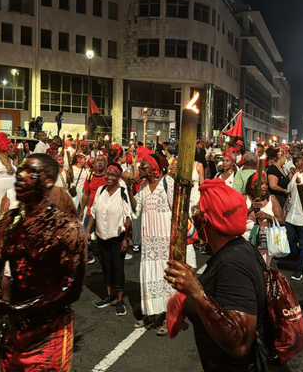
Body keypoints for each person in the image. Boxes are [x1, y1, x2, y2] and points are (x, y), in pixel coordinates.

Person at [0, 154, 86, 372]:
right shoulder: (9, 221)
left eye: (29, 172)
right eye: (19, 171)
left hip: (50, 334)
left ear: (47, 180)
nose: (19, 176)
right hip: (13, 333)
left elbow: (70, 289)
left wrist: (14, 307)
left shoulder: (68, 227)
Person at [164, 178, 266, 371]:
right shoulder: (234, 250)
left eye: (197, 211)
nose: (194, 216)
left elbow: (239, 344)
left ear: (206, 220)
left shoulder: (233, 264)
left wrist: (196, 293)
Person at [126, 153, 175, 335]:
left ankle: (169, 319)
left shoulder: (167, 182)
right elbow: (135, 210)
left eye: (143, 167)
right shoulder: (144, 187)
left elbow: (175, 208)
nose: (139, 169)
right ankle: (150, 313)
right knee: (149, 276)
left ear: (154, 169)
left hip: (165, 238)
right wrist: (131, 190)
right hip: (149, 240)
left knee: (166, 279)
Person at [85, 163, 132, 316]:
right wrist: (87, 232)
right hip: (101, 235)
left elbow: (128, 217)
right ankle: (109, 295)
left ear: (118, 177)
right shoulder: (100, 190)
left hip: (117, 237)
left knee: (117, 267)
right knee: (106, 266)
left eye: (113, 175)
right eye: (108, 174)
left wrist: (126, 239)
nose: (110, 177)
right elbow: (93, 211)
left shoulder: (122, 192)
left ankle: (119, 300)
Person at [244, 172, 286, 265]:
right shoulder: (244, 199)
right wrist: (251, 208)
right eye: (261, 184)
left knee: (262, 271)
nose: (265, 187)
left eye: (266, 184)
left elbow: (282, 221)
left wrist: (268, 216)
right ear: (252, 186)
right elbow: (236, 218)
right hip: (245, 242)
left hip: (264, 243)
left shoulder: (272, 199)